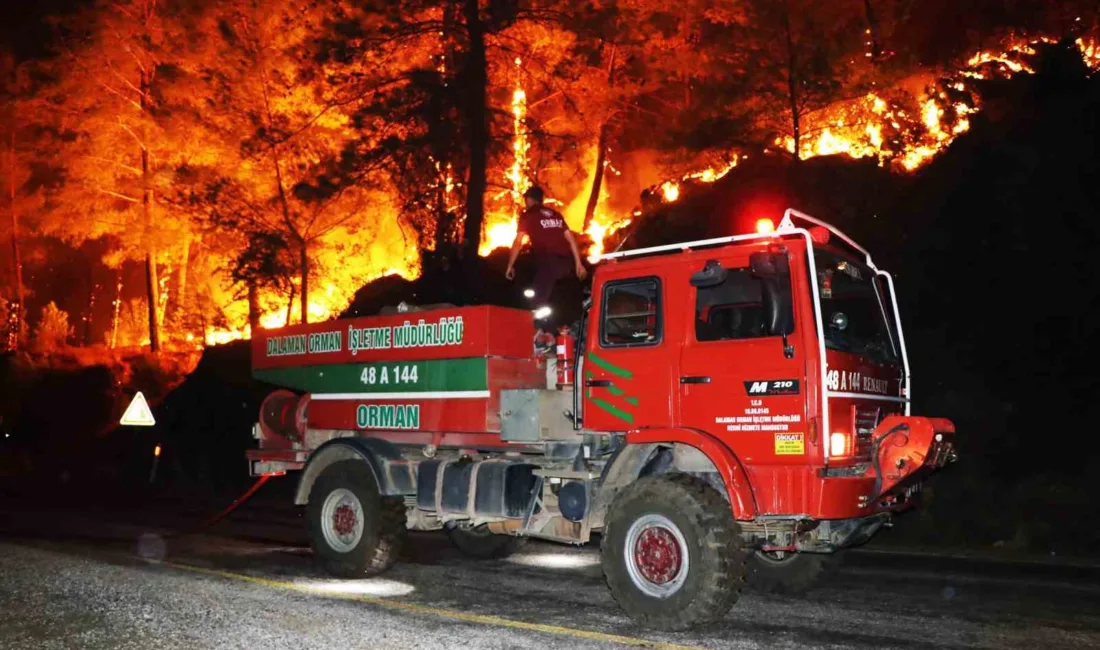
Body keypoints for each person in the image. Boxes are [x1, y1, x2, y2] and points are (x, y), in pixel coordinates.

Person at [505, 185, 587, 344]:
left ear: (529, 199)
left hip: (549, 262)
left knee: (537, 299)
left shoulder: (528, 215)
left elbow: (518, 242)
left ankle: (548, 336)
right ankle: (563, 331)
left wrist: (510, 265)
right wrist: (579, 264)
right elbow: (571, 239)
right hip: (566, 263)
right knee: (554, 297)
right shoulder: (555, 214)